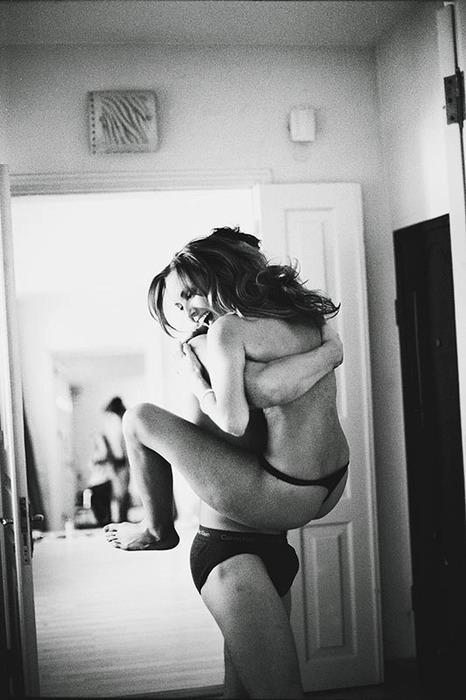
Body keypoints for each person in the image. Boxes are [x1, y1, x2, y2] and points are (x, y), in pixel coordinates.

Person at [104, 227, 349, 698]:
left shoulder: (224, 335)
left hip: (265, 518)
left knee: (138, 417)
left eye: (189, 295)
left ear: (222, 276)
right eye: (179, 305)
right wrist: (331, 353)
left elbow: (236, 419)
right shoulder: (307, 322)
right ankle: (157, 529)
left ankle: (156, 529)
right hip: (264, 528)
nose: (187, 312)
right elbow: (268, 393)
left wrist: (200, 387)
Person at [88, 396, 131, 526]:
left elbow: (116, 448)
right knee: (120, 495)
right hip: (120, 462)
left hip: (119, 462)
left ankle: (122, 521)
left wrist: (111, 460)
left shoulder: (118, 422)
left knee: (121, 495)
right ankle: (122, 521)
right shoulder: (121, 421)